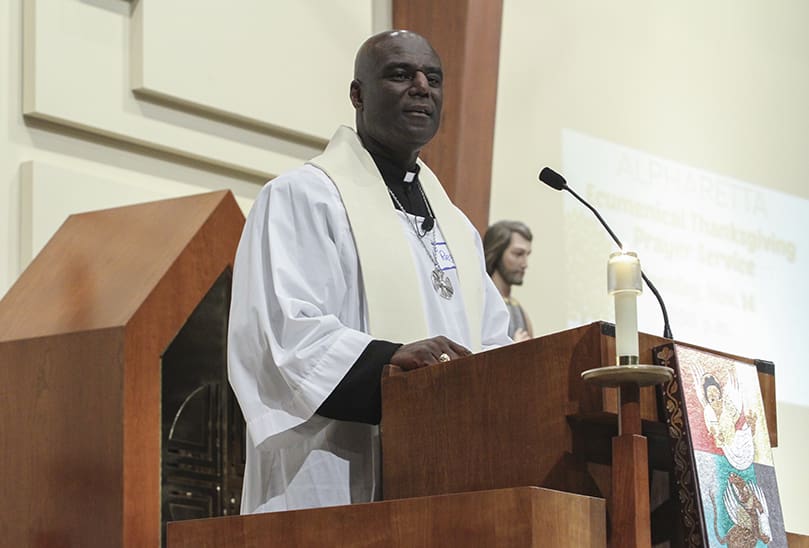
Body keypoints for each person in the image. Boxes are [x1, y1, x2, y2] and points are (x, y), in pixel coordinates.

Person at [227, 30, 511, 515]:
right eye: (400, 74)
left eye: (433, 78)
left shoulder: (457, 228)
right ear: (357, 94)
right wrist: (391, 358)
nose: (422, 87)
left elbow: (493, 344)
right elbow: (282, 335)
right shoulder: (302, 197)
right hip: (330, 468)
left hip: (441, 476)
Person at [482, 220, 534, 341]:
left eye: (527, 255)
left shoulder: (520, 310)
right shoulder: (481, 302)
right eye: (518, 254)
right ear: (497, 252)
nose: (525, 264)